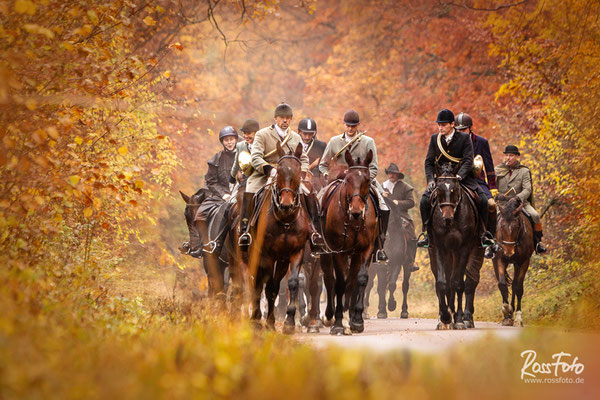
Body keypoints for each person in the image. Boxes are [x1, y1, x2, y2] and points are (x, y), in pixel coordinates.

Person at [417, 109, 495, 248]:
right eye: (439, 125)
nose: (440, 128)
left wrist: (460, 175)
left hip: (461, 178)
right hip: (441, 179)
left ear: (452, 124)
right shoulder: (435, 139)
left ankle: (484, 234)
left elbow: (468, 160)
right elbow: (429, 162)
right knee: (424, 201)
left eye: (444, 125)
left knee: (483, 200)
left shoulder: (464, 138)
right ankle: (427, 235)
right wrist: (430, 180)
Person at [319, 109, 390, 263]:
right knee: (318, 201)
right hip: (339, 180)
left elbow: (374, 168)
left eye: (353, 126)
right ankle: (318, 241)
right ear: (344, 124)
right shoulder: (334, 142)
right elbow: (323, 165)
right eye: (348, 126)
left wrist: (363, 179)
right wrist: (327, 176)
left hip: (363, 181)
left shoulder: (368, 142)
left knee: (384, 206)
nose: (350, 129)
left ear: (358, 125)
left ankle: (379, 246)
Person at [238, 103, 310, 248]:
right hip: (265, 174)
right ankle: (245, 231)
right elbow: (256, 157)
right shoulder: (262, 134)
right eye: (282, 118)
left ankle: (315, 231)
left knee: (309, 194)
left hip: (288, 176)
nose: (285, 121)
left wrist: (302, 171)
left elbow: (304, 159)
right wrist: (270, 170)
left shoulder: (295, 137)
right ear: (276, 118)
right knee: (250, 192)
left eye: (288, 118)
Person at [455, 112, 500, 258]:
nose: (461, 132)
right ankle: (431, 236)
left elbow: (489, 165)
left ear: (470, 128)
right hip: (456, 180)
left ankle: (489, 237)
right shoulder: (451, 142)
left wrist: (492, 187)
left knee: (491, 205)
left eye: (464, 130)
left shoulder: (481, 142)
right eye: (458, 130)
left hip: (477, 181)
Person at [194, 126, 239, 255]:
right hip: (220, 195)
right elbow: (211, 181)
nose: (229, 142)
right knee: (200, 215)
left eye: (231, 139)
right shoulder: (216, 159)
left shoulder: (243, 155)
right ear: (222, 142)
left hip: (240, 193)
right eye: (226, 140)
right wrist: (223, 194)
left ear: (236, 140)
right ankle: (201, 244)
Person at [495, 145, 547, 254]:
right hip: (503, 204)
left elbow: (528, 189)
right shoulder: (498, 170)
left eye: (511, 156)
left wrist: (518, 197)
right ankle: (490, 244)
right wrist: (497, 194)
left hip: (519, 203)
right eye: (507, 155)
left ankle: (537, 243)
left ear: (517, 156)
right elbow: (491, 186)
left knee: (535, 215)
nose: (508, 158)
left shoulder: (524, 171)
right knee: (489, 216)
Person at [382, 163, 418, 272]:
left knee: (411, 235)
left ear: (398, 175)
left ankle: (411, 260)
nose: (391, 175)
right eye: (390, 173)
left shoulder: (405, 187)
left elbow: (411, 202)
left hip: (402, 216)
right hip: (385, 215)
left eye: (394, 173)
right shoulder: (382, 186)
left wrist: (398, 203)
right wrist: (382, 197)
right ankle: (375, 257)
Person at [230, 118, 259, 185]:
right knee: (235, 194)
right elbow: (236, 162)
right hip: (245, 177)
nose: (246, 136)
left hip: (260, 176)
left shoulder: (262, 145)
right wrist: (232, 177)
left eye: (249, 133)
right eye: (244, 133)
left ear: (256, 133)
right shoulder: (240, 146)